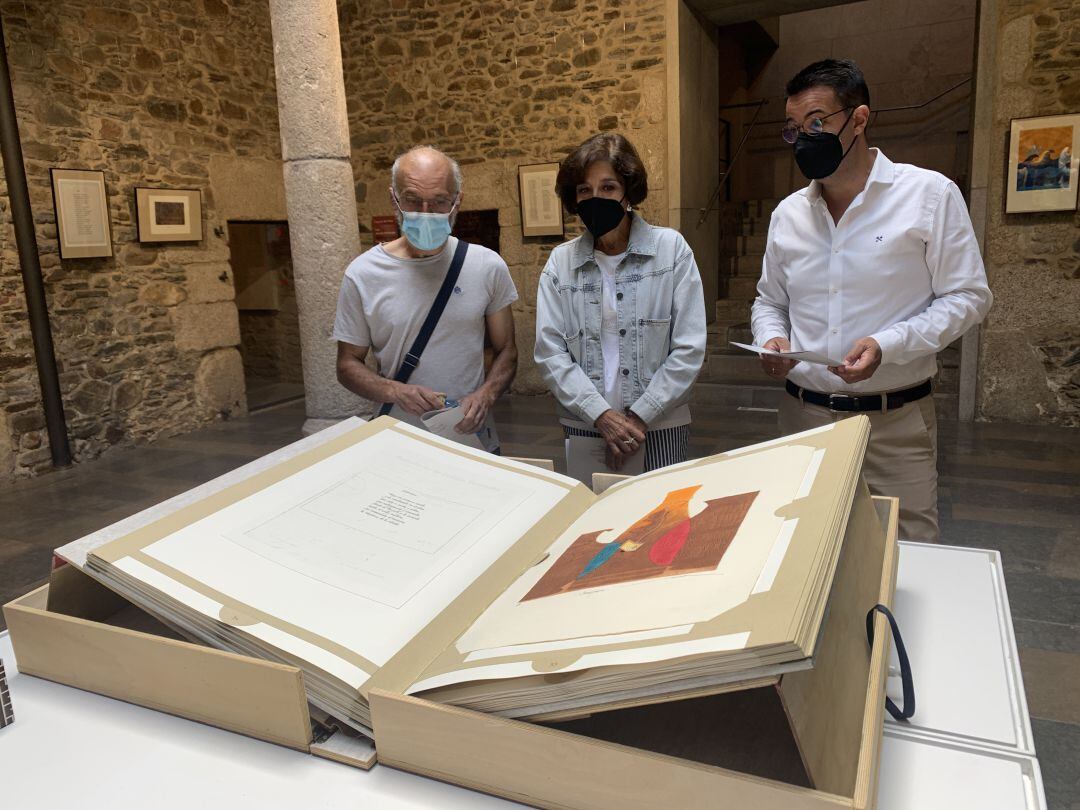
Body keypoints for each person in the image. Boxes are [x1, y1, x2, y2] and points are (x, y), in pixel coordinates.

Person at [751, 59, 993, 542]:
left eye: (818, 122)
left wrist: (889, 343)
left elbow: (968, 296)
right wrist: (772, 338)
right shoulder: (787, 215)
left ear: (859, 118)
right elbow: (768, 300)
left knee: (906, 553)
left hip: (894, 422)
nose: (805, 137)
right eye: (795, 128)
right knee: (801, 552)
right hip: (805, 419)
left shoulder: (928, 195)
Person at [534, 133, 707, 473]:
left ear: (628, 191)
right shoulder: (560, 263)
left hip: (659, 427)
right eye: (585, 190)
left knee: (661, 520)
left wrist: (641, 415)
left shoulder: (671, 251)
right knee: (597, 520)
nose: (595, 198)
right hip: (586, 426)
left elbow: (689, 347)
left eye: (608, 187)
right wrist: (601, 415)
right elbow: (550, 351)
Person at [332, 145, 518, 452]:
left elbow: (507, 350)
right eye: (413, 200)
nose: (426, 213)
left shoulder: (486, 266)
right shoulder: (363, 274)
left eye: (439, 202)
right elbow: (347, 364)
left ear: (457, 201)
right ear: (394, 199)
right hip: (398, 438)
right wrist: (395, 391)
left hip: (468, 434)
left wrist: (485, 395)